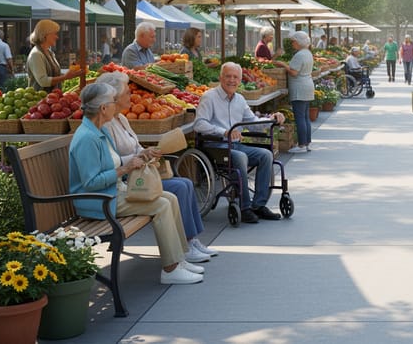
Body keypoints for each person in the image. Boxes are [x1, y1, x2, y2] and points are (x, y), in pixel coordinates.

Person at [69, 83, 203, 285]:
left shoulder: (99, 130)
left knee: (170, 197)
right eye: (113, 101)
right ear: (103, 108)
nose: (116, 105)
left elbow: (112, 163)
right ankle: (170, 269)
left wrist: (137, 158)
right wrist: (125, 169)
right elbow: (91, 182)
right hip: (99, 202)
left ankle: (179, 259)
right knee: (161, 205)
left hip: (113, 193)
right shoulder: (87, 138)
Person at [95, 72, 217, 262]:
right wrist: (138, 157)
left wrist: (147, 151)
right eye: (126, 92)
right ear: (114, 98)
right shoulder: (106, 125)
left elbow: (136, 146)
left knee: (185, 183)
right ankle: (185, 246)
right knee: (179, 187)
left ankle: (191, 241)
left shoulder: (122, 119)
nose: (130, 95)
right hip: (130, 180)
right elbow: (114, 160)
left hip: (140, 173)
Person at [194, 62, 286, 223]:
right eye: (228, 76)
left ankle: (259, 205)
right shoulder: (209, 97)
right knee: (241, 157)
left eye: (235, 77)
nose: (232, 80)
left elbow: (253, 122)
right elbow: (199, 124)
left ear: (240, 80)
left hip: (235, 145)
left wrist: (272, 119)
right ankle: (245, 207)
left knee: (266, 155)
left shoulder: (240, 99)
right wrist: (224, 132)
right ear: (220, 78)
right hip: (215, 146)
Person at [26, 19, 79, 92]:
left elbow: (54, 74)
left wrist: (71, 74)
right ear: (45, 35)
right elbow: (43, 81)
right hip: (41, 98)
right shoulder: (36, 55)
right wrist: (65, 77)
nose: (57, 37)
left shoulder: (49, 52)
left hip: (53, 96)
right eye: (55, 34)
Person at [284, 31, 314, 154]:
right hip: (307, 86)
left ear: (298, 42)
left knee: (300, 117)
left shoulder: (299, 55)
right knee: (305, 117)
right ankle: (307, 143)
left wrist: (283, 65)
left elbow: (294, 72)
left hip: (299, 89)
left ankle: (301, 145)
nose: (292, 44)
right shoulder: (308, 53)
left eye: (293, 42)